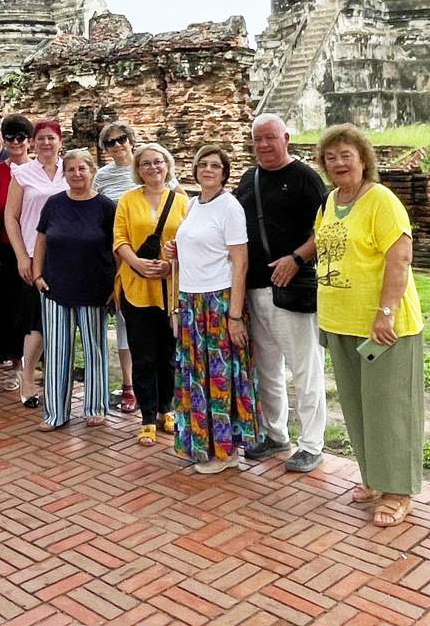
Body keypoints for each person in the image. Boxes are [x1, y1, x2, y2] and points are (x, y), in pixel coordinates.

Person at [313, 124, 425, 527]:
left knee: (390, 409)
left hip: (383, 325)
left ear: (363, 160)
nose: (339, 163)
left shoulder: (381, 200)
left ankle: (398, 491)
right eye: (331, 157)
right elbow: (324, 245)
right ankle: (374, 479)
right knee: (359, 407)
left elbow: (400, 257)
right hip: (341, 320)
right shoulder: (329, 201)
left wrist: (386, 312)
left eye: (347, 155)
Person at [237, 112, 328, 474]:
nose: (263, 145)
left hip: (293, 289)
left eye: (270, 138)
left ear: (286, 138)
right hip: (255, 288)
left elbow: (329, 229)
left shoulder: (306, 179)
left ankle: (312, 444)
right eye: (257, 139)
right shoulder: (249, 179)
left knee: (305, 368)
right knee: (267, 368)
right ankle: (276, 434)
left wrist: (297, 258)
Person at [165, 143, 257, 474]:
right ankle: (201, 442)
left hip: (217, 301)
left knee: (219, 377)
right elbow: (196, 245)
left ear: (224, 172)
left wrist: (234, 316)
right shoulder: (192, 204)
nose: (207, 170)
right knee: (195, 375)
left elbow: (240, 262)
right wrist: (177, 248)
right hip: (191, 301)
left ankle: (226, 450)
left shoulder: (229, 207)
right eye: (202, 164)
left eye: (215, 166)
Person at [32, 149, 116, 430]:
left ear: (92, 171)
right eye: (71, 169)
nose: (77, 174)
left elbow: (117, 249)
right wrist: (37, 274)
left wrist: (115, 285)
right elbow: (42, 239)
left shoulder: (106, 207)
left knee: (94, 350)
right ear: (64, 174)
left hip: (94, 289)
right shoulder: (54, 204)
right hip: (56, 287)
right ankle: (55, 412)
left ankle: (95, 407)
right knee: (56, 352)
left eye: (82, 168)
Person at [113, 143, 184, 445]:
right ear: (138, 170)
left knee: (168, 353)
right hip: (136, 285)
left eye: (158, 162)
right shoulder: (128, 200)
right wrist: (137, 263)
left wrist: (171, 266)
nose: (153, 168)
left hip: (170, 288)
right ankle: (146, 417)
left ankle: (166, 408)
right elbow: (119, 239)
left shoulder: (181, 201)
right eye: (145, 164)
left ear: (167, 165)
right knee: (143, 354)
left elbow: (189, 241)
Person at [4, 117, 66, 408]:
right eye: (40, 138)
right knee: (36, 323)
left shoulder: (73, 169)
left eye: (50, 137)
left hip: (68, 256)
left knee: (63, 322)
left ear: (60, 141)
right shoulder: (22, 173)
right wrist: (20, 255)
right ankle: (28, 378)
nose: (45, 143)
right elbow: (11, 217)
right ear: (33, 142)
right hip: (33, 254)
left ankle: (56, 379)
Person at [93, 121, 141, 413]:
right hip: (114, 256)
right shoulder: (102, 177)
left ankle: (158, 382)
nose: (117, 145)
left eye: (122, 139)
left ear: (131, 140)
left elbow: (176, 202)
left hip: (149, 256)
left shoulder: (148, 164)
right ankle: (128, 384)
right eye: (110, 142)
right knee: (123, 320)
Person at [0, 113, 32, 382]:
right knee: (4, 306)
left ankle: (30, 358)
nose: (15, 142)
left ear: (29, 141)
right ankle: (11, 359)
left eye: (21, 137)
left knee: (28, 306)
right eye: (10, 137)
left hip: (31, 248)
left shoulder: (38, 170)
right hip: (3, 246)